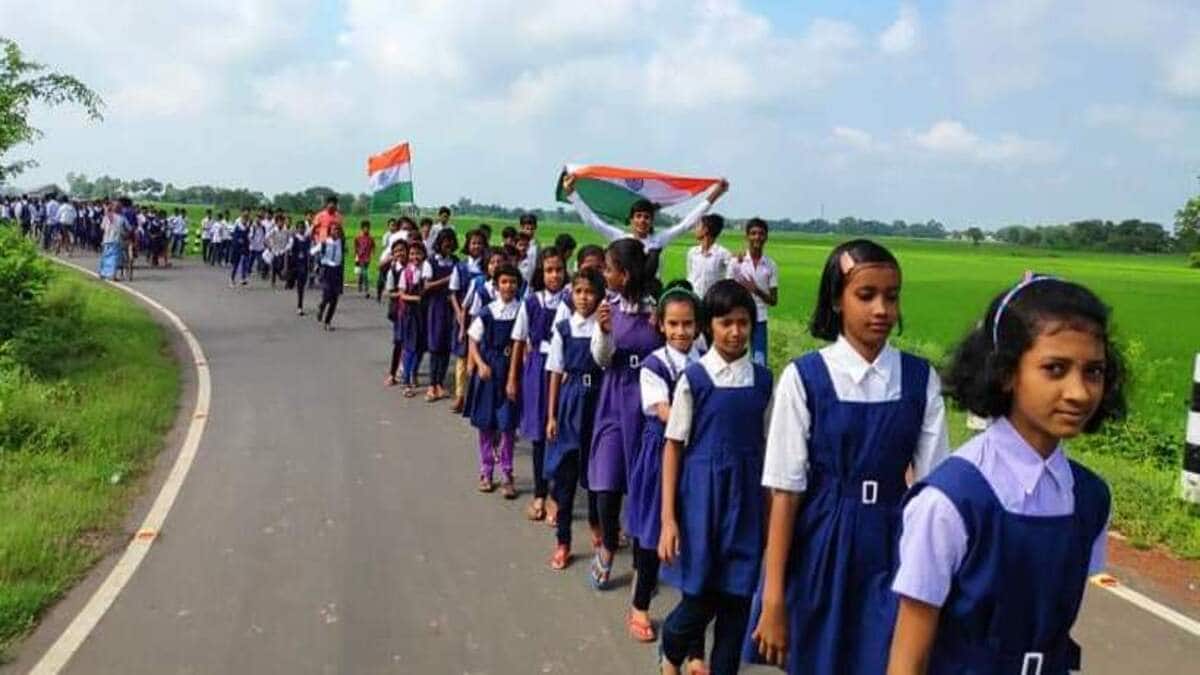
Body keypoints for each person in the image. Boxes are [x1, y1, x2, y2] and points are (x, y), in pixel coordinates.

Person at [887, 275, 1123, 675]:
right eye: (1055, 369)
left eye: (1093, 372)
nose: (1079, 392)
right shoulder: (951, 500)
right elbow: (909, 655)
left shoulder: (1090, 497)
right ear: (1007, 372)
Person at [747, 240, 949, 674]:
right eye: (866, 295)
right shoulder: (805, 378)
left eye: (891, 297)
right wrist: (773, 596)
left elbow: (934, 491)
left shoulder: (919, 379)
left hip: (894, 543)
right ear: (837, 299)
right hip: (821, 542)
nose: (881, 309)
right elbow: (784, 493)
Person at [658, 280, 772, 675]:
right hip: (702, 502)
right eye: (726, 323)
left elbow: (773, 449)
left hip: (748, 503)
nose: (736, 332)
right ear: (710, 326)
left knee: (737, 603)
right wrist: (668, 519)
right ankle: (671, 646)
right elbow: (673, 446)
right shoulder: (695, 379)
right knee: (700, 597)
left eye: (743, 323)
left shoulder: (763, 381)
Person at [623, 280, 704, 645]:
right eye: (673, 324)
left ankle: (693, 622)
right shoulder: (654, 365)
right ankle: (640, 603)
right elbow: (662, 410)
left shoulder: (705, 361)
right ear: (661, 325)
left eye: (687, 324)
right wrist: (700, 422)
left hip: (696, 454)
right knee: (655, 529)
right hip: (661, 453)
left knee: (693, 531)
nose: (681, 331)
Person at [587, 239, 663, 590]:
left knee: (642, 482)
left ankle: (640, 558)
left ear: (625, 274)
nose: (604, 274)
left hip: (647, 402)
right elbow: (601, 359)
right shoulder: (607, 308)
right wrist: (603, 332)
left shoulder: (656, 310)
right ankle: (606, 544)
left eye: (608, 268)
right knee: (606, 479)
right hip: (614, 398)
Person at [543, 267, 606, 571]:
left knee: (595, 474)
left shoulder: (605, 328)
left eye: (590, 292)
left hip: (598, 404)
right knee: (565, 476)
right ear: (571, 294)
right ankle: (563, 541)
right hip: (569, 404)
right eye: (578, 291)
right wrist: (552, 414)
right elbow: (555, 371)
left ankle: (597, 522)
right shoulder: (564, 328)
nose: (583, 297)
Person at [560, 173, 728, 275]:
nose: (642, 220)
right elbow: (593, 222)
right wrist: (572, 194)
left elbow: (686, 224)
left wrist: (715, 194)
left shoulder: (658, 240)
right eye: (638, 216)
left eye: (646, 217)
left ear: (651, 220)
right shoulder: (620, 239)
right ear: (631, 219)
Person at [509, 246, 566, 523]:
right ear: (540, 273)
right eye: (549, 270)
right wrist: (512, 378)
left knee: (558, 434)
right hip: (535, 372)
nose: (554, 275)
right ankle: (539, 494)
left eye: (558, 270)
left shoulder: (571, 301)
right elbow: (519, 341)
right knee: (539, 437)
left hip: (562, 373)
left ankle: (556, 495)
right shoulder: (530, 302)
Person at [467, 263, 524, 499]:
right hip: (489, 372)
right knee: (486, 425)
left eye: (512, 282)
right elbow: (472, 340)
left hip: (511, 372)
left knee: (508, 426)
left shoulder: (522, 311)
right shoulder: (488, 312)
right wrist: (480, 364)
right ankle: (486, 470)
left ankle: (507, 474)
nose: (508, 286)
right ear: (496, 285)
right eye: (504, 282)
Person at [728, 218, 778, 367]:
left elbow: (774, 300)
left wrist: (755, 289)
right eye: (753, 233)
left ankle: (758, 388)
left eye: (761, 233)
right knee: (736, 357)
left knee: (759, 360)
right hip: (738, 316)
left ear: (766, 237)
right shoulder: (737, 261)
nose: (757, 237)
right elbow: (727, 290)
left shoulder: (770, 265)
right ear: (747, 236)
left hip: (760, 318)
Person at [449, 229, 487, 413]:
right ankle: (460, 395)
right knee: (462, 358)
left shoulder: (487, 268)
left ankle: (475, 398)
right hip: (464, 318)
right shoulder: (460, 267)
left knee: (480, 358)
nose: (476, 246)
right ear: (468, 245)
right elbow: (453, 293)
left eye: (480, 243)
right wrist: (458, 315)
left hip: (482, 320)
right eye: (473, 243)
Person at [423, 229, 458, 402]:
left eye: (451, 241)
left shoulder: (456, 261)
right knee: (435, 347)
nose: (448, 244)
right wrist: (448, 279)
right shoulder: (431, 262)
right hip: (436, 306)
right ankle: (432, 384)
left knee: (446, 347)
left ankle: (440, 384)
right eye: (445, 241)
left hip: (451, 307)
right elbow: (426, 286)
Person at [396, 241, 428, 396]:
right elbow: (401, 294)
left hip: (423, 314)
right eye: (412, 254)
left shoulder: (426, 270)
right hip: (410, 314)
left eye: (418, 253)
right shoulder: (406, 272)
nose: (415, 257)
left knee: (421, 347)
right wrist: (416, 298)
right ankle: (406, 381)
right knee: (410, 348)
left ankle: (413, 372)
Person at [383, 239, 410, 387]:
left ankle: (408, 373)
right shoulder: (393, 270)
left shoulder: (413, 268)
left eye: (402, 250)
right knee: (399, 342)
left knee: (411, 343)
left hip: (413, 312)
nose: (400, 253)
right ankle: (392, 373)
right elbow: (389, 292)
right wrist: (402, 294)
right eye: (396, 251)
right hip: (399, 312)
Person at [686, 214, 731, 298]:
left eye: (698, 226)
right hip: (695, 298)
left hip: (714, 300)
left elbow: (730, 277)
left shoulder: (723, 254)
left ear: (705, 230)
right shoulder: (692, 252)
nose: (695, 230)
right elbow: (690, 276)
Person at [315, 222, 345, 330]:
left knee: (334, 299)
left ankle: (327, 322)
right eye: (333, 229)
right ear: (329, 231)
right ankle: (322, 306)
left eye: (337, 229)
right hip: (326, 271)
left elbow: (342, 259)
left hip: (337, 271)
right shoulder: (325, 242)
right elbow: (313, 251)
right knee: (327, 295)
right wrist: (320, 258)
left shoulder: (341, 242)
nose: (336, 231)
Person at [97, 200, 125, 281]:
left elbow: (102, 227)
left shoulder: (106, 217)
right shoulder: (121, 219)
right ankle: (113, 275)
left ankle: (102, 273)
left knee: (105, 256)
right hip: (116, 240)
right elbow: (123, 230)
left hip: (106, 240)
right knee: (114, 259)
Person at [289, 218, 312, 315]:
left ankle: (300, 306)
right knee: (297, 286)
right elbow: (288, 252)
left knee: (301, 286)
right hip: (295, 265)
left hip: (304, 265)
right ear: (297, 229)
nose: (301, 230)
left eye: (303, 228)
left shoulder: (307, 240)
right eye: (299, 228)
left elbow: (310, 253)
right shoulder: (293, 239)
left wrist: (311, 264)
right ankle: (300, 306)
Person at [229, 212, 251, 287]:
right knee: (236, 264)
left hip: (245, 248)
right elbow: (234, 237)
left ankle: (243, 279)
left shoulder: (247, 227)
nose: (245, 220)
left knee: (245, 263)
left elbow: (248, 238)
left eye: (246, 219)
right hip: (237, 248)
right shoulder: (237, 227)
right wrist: (238, 241)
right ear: (241, 219)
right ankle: (232, 279)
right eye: (244, 219)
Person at [355, 220, 376, 298]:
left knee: (363, 272)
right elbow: (356, 245)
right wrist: (357, 252)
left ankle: (363, 286)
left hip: (367, 258)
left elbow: (373, 246)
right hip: (360, 257)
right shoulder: (358, 237)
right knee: (364, 273)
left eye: (368, 228)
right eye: (365, 228)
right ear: (362, 228)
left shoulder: (371, 238)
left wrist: (373, 253)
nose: (366, 230)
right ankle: (365, 288)